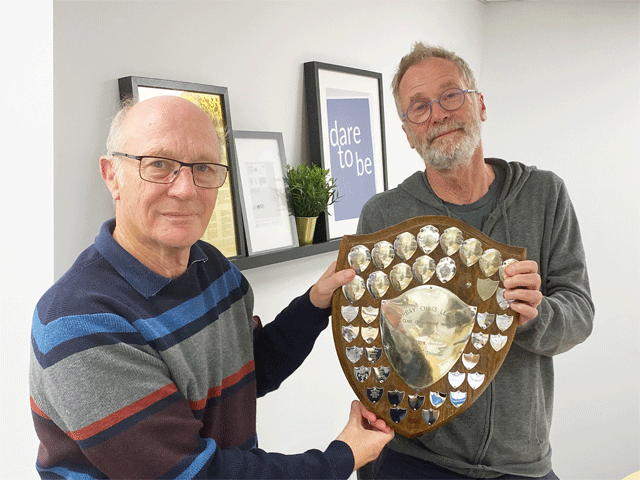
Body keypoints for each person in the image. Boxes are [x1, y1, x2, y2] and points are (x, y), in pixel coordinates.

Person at [29, 95, 393, 479]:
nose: (185, 189)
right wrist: (342, 457)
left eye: (203, 167)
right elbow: (193, 474)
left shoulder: (214, 268)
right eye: (158, 164)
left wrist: (316, 305)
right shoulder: (79, 321)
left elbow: (248, 373)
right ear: (111, 175)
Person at [356, 43, 594, 479]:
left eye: (451, 95)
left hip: (520, 463)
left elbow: (580, 314)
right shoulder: (384, 216)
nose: (439, 115)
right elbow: (372, 346)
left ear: (480, 104)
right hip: (416, 457)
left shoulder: (544, 195)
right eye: (419, 108)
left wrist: (536, 315)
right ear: (408, 133)